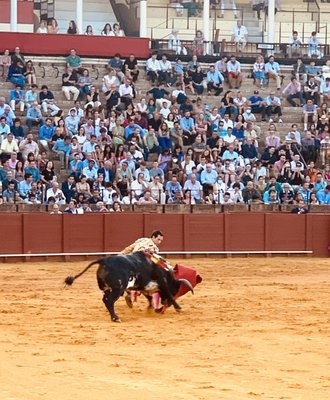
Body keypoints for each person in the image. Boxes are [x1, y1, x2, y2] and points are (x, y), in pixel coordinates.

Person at [120, 230, 165, 308]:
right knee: (149, 283)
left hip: (129, 261)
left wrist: (119, 255)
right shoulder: (154, 248)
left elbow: (129, 248)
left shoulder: (141, 240)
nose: (159, 242)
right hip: (140, 267)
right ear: (153, 237)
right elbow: (152, 261)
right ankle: (147, 300)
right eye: (158, 239)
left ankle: (128, 292)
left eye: (161, 240)